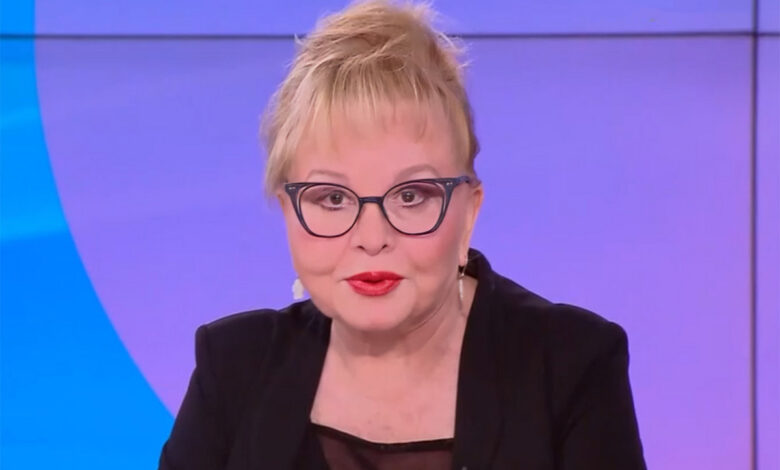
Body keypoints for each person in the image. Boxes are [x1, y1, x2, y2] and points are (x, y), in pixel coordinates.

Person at [158, 1, 646, 469]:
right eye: (333, 198)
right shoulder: (233, 369)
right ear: (289, 212)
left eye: (411, 196)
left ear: (469, 212)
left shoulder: (570, 368)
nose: (373, 238)